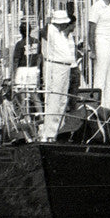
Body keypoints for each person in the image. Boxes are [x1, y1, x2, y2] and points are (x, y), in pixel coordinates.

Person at [41, 10, 77, 140]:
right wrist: (48, 21)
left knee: (62, 99)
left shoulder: (61, 33)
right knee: (54, 99)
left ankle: (59, 129)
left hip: (65, 66)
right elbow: (41, 32)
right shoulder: (50, 30)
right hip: (56, 66)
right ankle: (49, 133)